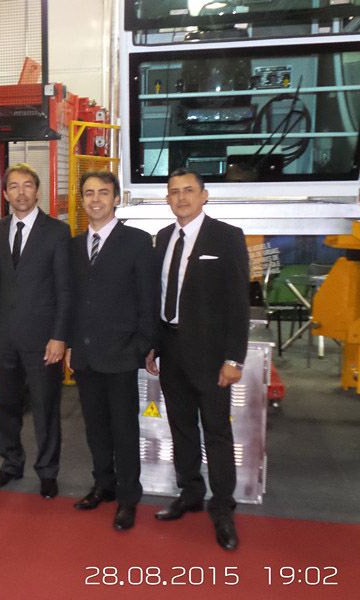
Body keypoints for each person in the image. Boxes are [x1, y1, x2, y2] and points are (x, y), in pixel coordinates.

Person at [146, 168, 249, 550]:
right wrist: (154, 344)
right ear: (167, 199)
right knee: (182, 427)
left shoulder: (227, 236)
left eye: (189, 190)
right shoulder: (163, 238)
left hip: (211, 356)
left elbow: (239, 303)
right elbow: (159, 296)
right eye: (174, 192)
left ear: (204, 196)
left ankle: (222, 508)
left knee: (217, 432)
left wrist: (234, 359)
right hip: (171, 350)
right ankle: (190, 492)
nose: (182, 197)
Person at [65, 171, 155, 530]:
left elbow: (148, 299)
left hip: (121, 354)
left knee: (124, 430)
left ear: (116, 198)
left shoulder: (137, 241)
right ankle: (103, 485)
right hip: (85, 355)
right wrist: (70, 344)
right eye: (88, 193)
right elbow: (71, 300)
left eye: (103, 192)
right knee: (95, 428)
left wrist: (143, 346)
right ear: (82, 200)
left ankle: (128, 497)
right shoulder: (74, 245)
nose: (96, 199)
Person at [0, 163, 72, 499]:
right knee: (6, 406)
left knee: (45, 408)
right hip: (4, 337)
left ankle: (48, 471)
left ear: (37, 190)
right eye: (14, 186)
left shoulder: (57, 231)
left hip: (43, 339)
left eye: (27, 185)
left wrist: (59, 337)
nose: (21, 192)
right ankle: (10, 463)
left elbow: (64, 289)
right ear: (5, 193)